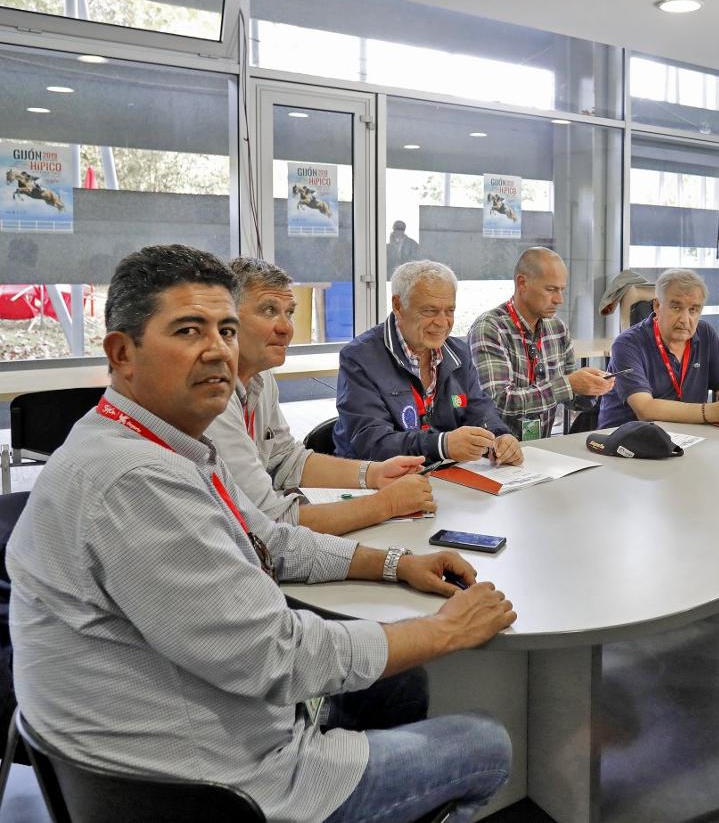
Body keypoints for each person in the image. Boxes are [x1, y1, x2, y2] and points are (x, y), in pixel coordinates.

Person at [6, 244, 517, 823]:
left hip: (189, 720)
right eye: (189, 330)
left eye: (225, 330)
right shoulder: (134, 481)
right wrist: (443, 630)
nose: (219, 351)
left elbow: (269, 539)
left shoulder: (165, 442)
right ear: (123, 353)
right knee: (488, 744)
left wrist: (396, 562)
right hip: (216, 782)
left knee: (401, 688)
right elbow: (277, 657)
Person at [207, 257, 436, 535]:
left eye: (289, 313)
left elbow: (286, 460)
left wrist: (374, 474)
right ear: (225, 319)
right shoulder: (209, 394)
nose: (286, 328)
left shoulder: (261, 376)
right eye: (268, 310)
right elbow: (268, 522)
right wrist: (385, 504)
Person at [334, 260, 523, 466]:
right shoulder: (359, 357)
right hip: (375, 483)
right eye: (430, 311)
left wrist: (500, 436)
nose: (442, 322)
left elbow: (479, 409)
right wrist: (442, 445)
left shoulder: (458, 353)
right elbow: (370, 443)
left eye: (449, 311)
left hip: (444, 478)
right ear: (398, 305)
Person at [468, 247, 612, 440]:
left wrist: (592, 388)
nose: (559, 300)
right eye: (550, 289)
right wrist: (568, 384)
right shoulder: (490, 328)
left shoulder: (558, 329)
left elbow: (573, 401)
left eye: (562, 290)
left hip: (541, 448)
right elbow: (498, 400)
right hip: (494, 451)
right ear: (522, 283)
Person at [597, 268, 719, 428]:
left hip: (686, 438)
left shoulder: (705, 333)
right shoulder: (627, 344)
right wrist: (712, 411)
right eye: (676, 307)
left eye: (693, 310)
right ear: (657, 306)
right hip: (626, 443)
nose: (685, 319)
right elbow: (645, 410)